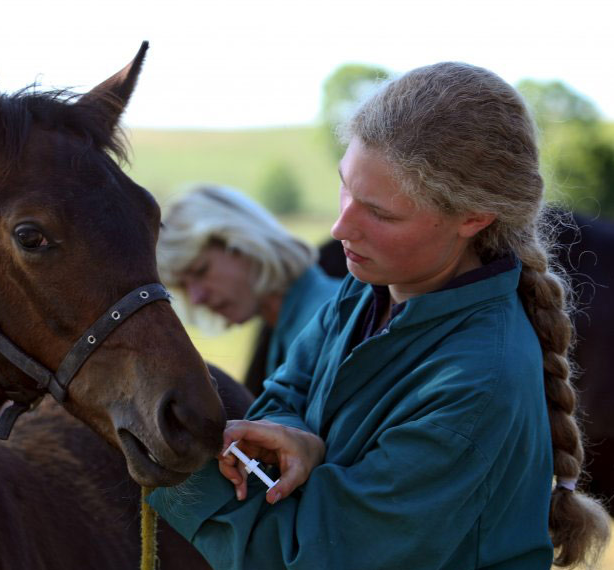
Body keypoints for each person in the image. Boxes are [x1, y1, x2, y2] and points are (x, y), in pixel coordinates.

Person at [149, 62, 610, 569]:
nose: (341, 226)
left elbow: (313, 557)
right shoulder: (368, 289)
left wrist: (168, 455)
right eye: (346, 186)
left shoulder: (478, 383)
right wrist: (299, 440)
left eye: (381, 212)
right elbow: (285, 393)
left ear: (473, 218)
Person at [157, 185, 340, 394]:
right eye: (183, 286)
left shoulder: (331, 322)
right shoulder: (285, 331)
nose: (196, 297)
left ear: (244, 243)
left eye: (201, 270)